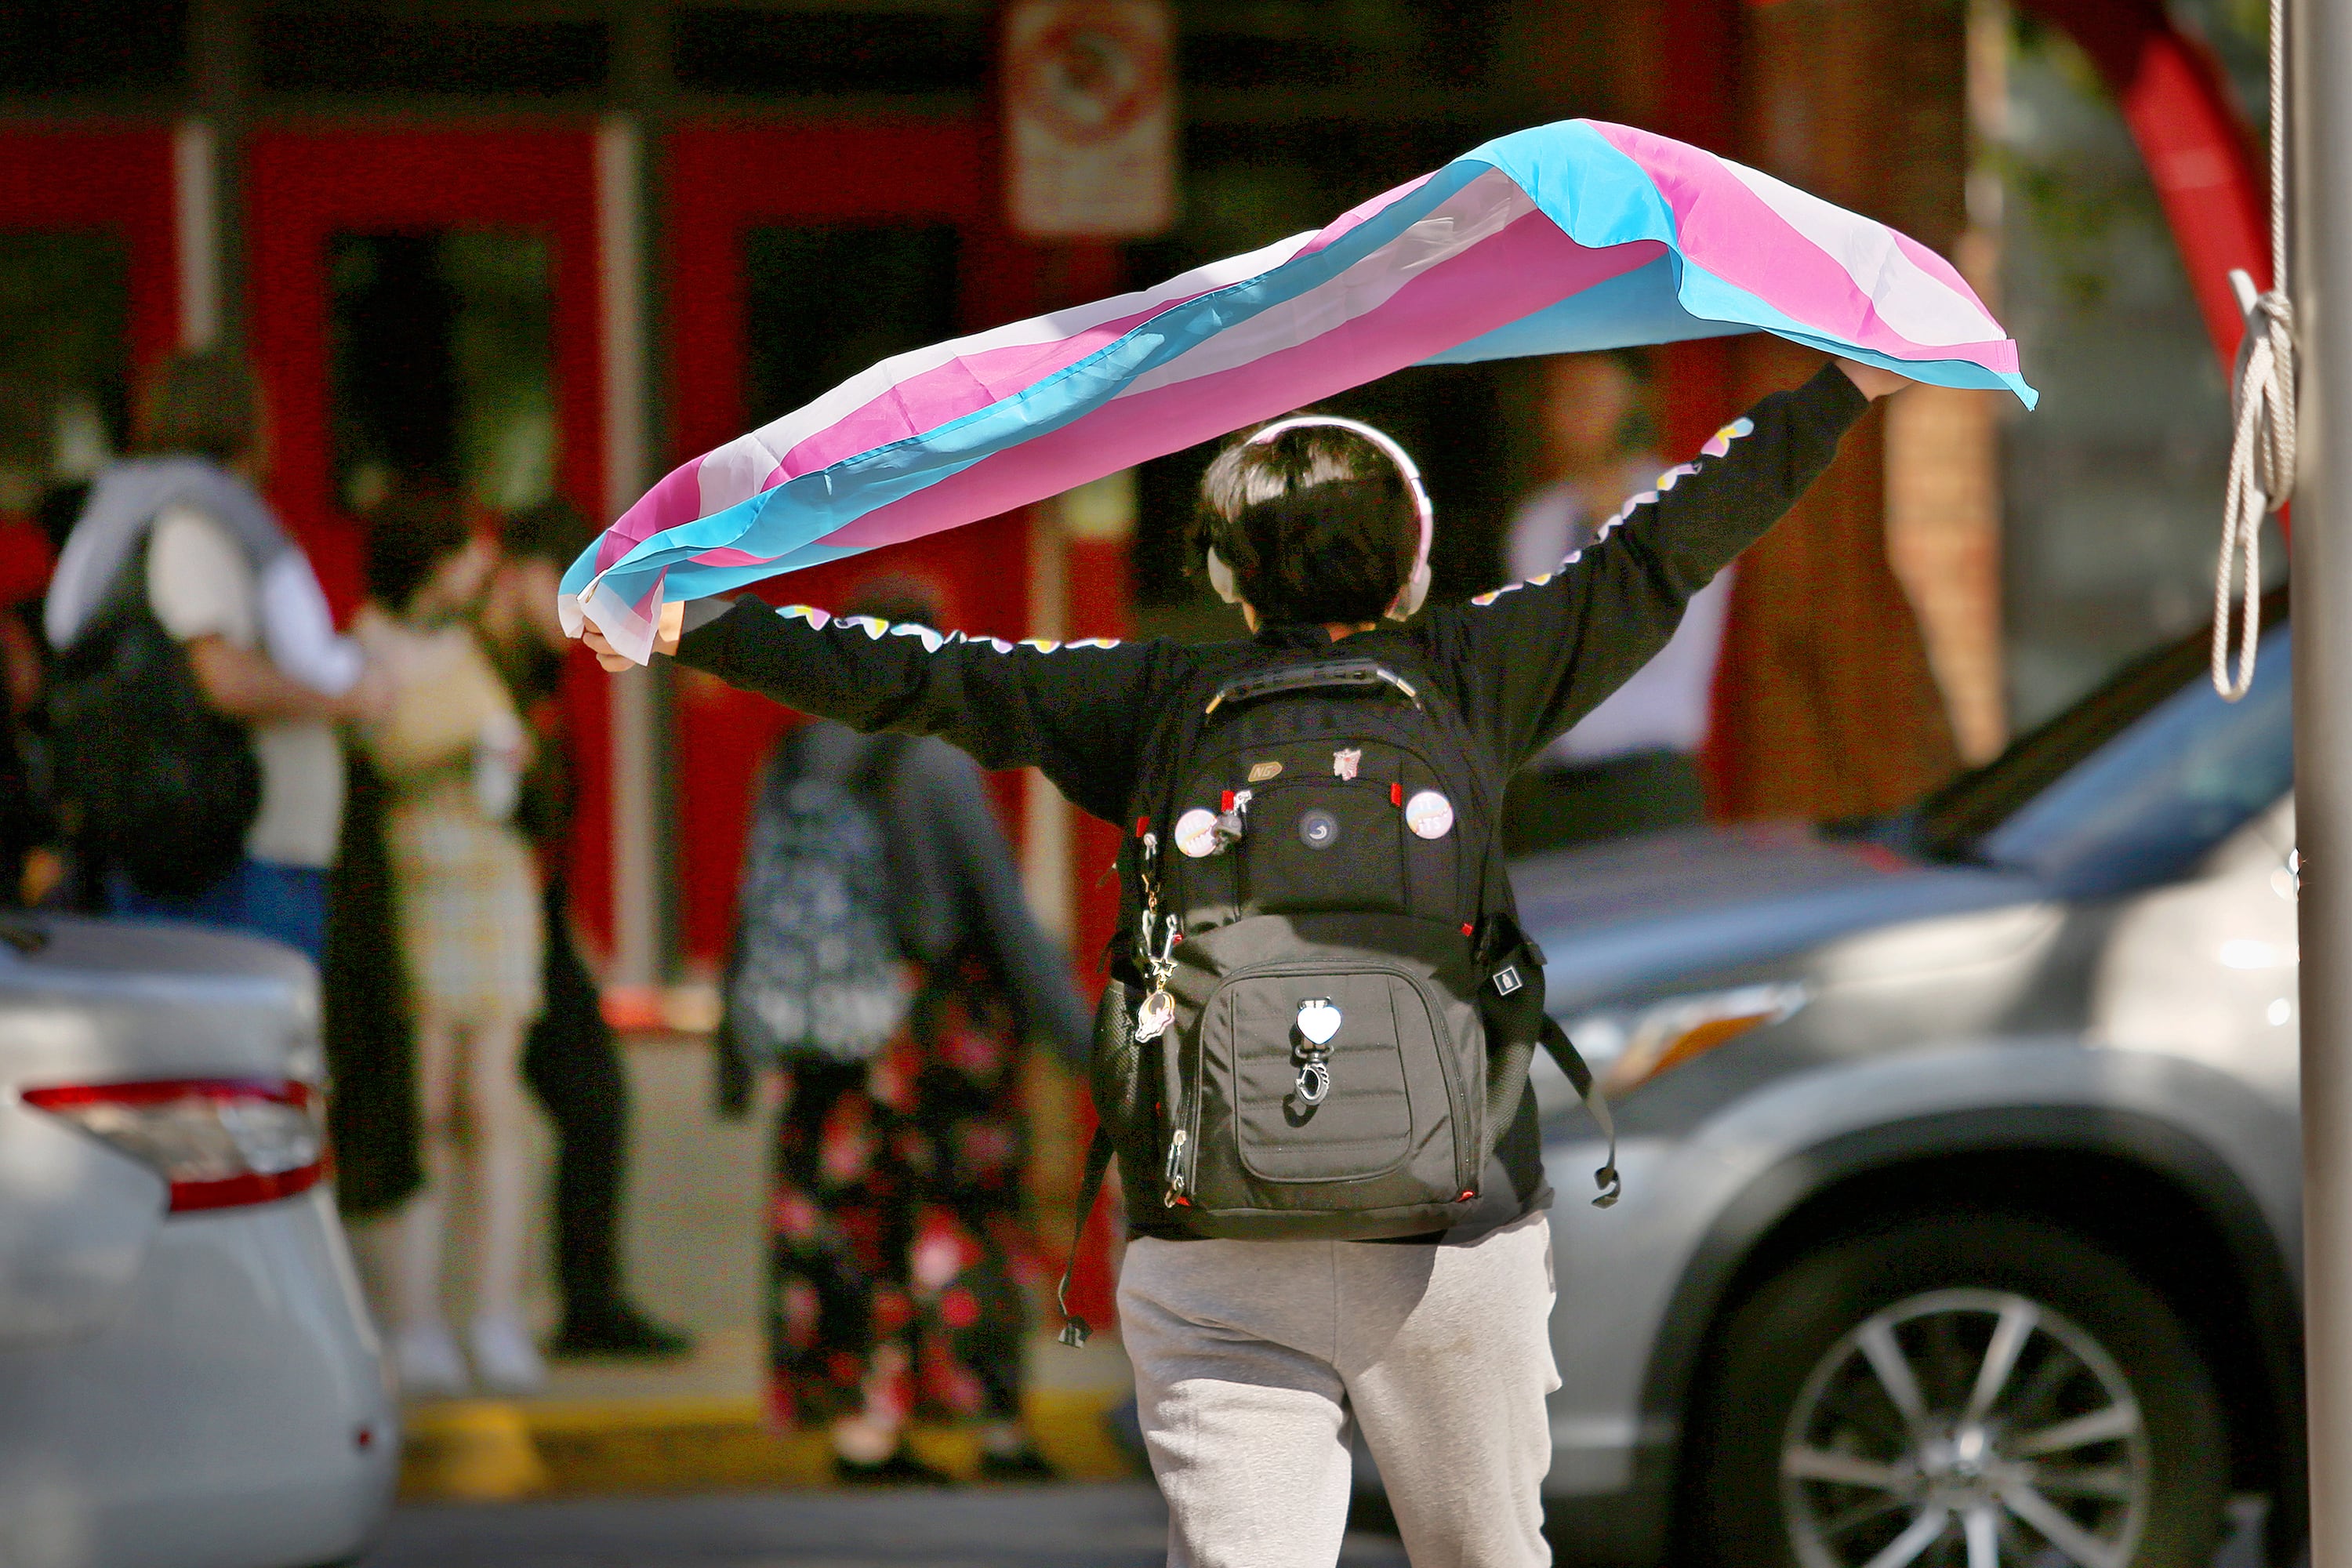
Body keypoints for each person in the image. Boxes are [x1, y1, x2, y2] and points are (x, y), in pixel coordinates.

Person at [583, 358, 1907, 1564]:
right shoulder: (1475, 670)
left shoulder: (1151, 701)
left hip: (1210, 1226)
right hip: (1449, 1228)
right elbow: (1663, 548)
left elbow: (918, 675)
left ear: (1228, 577)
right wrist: (1842, 386)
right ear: (1413, 567)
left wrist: (690, 622)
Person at [718, 576, 1092, 1483]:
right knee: (961, 1225)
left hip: (824, 1037)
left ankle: (865, 1429)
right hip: (931, 1039)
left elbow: (753, 903)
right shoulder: (933, 761)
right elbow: (1000, 910)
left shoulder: (795, 756)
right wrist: (1081, 1039)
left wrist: (734, 1046)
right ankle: (996, 1425)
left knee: (852, 1235)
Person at [43, 350, 382, 960]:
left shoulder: (152, 513)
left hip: (227, 852)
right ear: (243, 424)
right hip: (232, 854)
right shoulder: (193, 524)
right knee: (242, 1041)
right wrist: (347, 696)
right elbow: (222, 677)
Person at [481, 496, 691, 1359]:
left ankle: (588, 1298)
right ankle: (554, 1302)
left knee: (596, 1098)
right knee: (505, 1114)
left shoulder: (532, 671)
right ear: (518, 571)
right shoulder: (476, 670)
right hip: (481, 929)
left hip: (532, 923)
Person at [354, 486, 546, 1396]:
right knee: (421, 1109)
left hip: (494, 884)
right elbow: (385, 744)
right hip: (413, 887)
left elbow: (530, 733)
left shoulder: (487, 641)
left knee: (493, 1105)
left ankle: (494, 1314)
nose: (477, 565)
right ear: (423, 558)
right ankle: (413, 1320)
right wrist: (471, 731)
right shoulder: (363, 642)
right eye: (460, 550)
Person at [1502, 350, 1729, 857]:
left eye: (1586, 397)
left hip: (1646, 778)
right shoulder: (1538, 518)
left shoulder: (1685, 505)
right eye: (1559, 399)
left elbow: (1658, 642)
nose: (1566, 414)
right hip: (1551, 785)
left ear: (1635, 403)